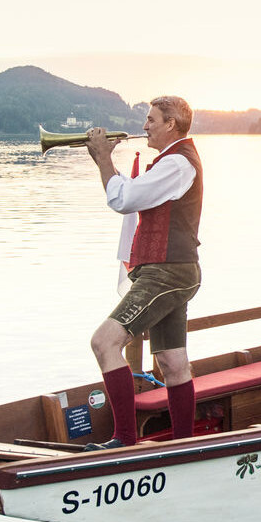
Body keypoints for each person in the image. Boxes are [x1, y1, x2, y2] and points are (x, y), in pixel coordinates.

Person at [81, 96, 201, 450]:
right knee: (172, 361)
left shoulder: (176, 164)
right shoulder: (171, 162)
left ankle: (124, 441)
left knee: (104, 343)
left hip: (167, 273)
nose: (145, 126)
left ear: (171, 124)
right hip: (174, 271)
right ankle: (185, 447)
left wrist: (104, 159)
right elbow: (130, 194)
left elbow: (123, 201)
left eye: (151, 119)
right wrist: (106, 165)